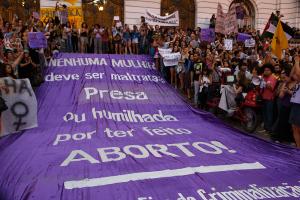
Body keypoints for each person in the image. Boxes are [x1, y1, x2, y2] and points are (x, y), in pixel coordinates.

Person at [261, 63, 277, 133]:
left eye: (267, 70)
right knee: (264, 113)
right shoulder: (263, 77)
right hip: (263, 97)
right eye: (265, 70)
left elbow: (272, 88)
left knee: (269, 114)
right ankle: (265, 128)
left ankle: (269, 130)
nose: (266, 71)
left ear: (271, 71)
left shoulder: (273, 78)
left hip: (269, 99)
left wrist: (266, 84)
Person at [289, 55, 300, 148]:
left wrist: (297, 62)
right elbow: (291, 75)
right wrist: (295, 63)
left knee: (296, 127)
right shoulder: (297, 80)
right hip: (296, 104)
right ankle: (298, 146)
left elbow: (298, 74)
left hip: (299, 105)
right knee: (295, 127)